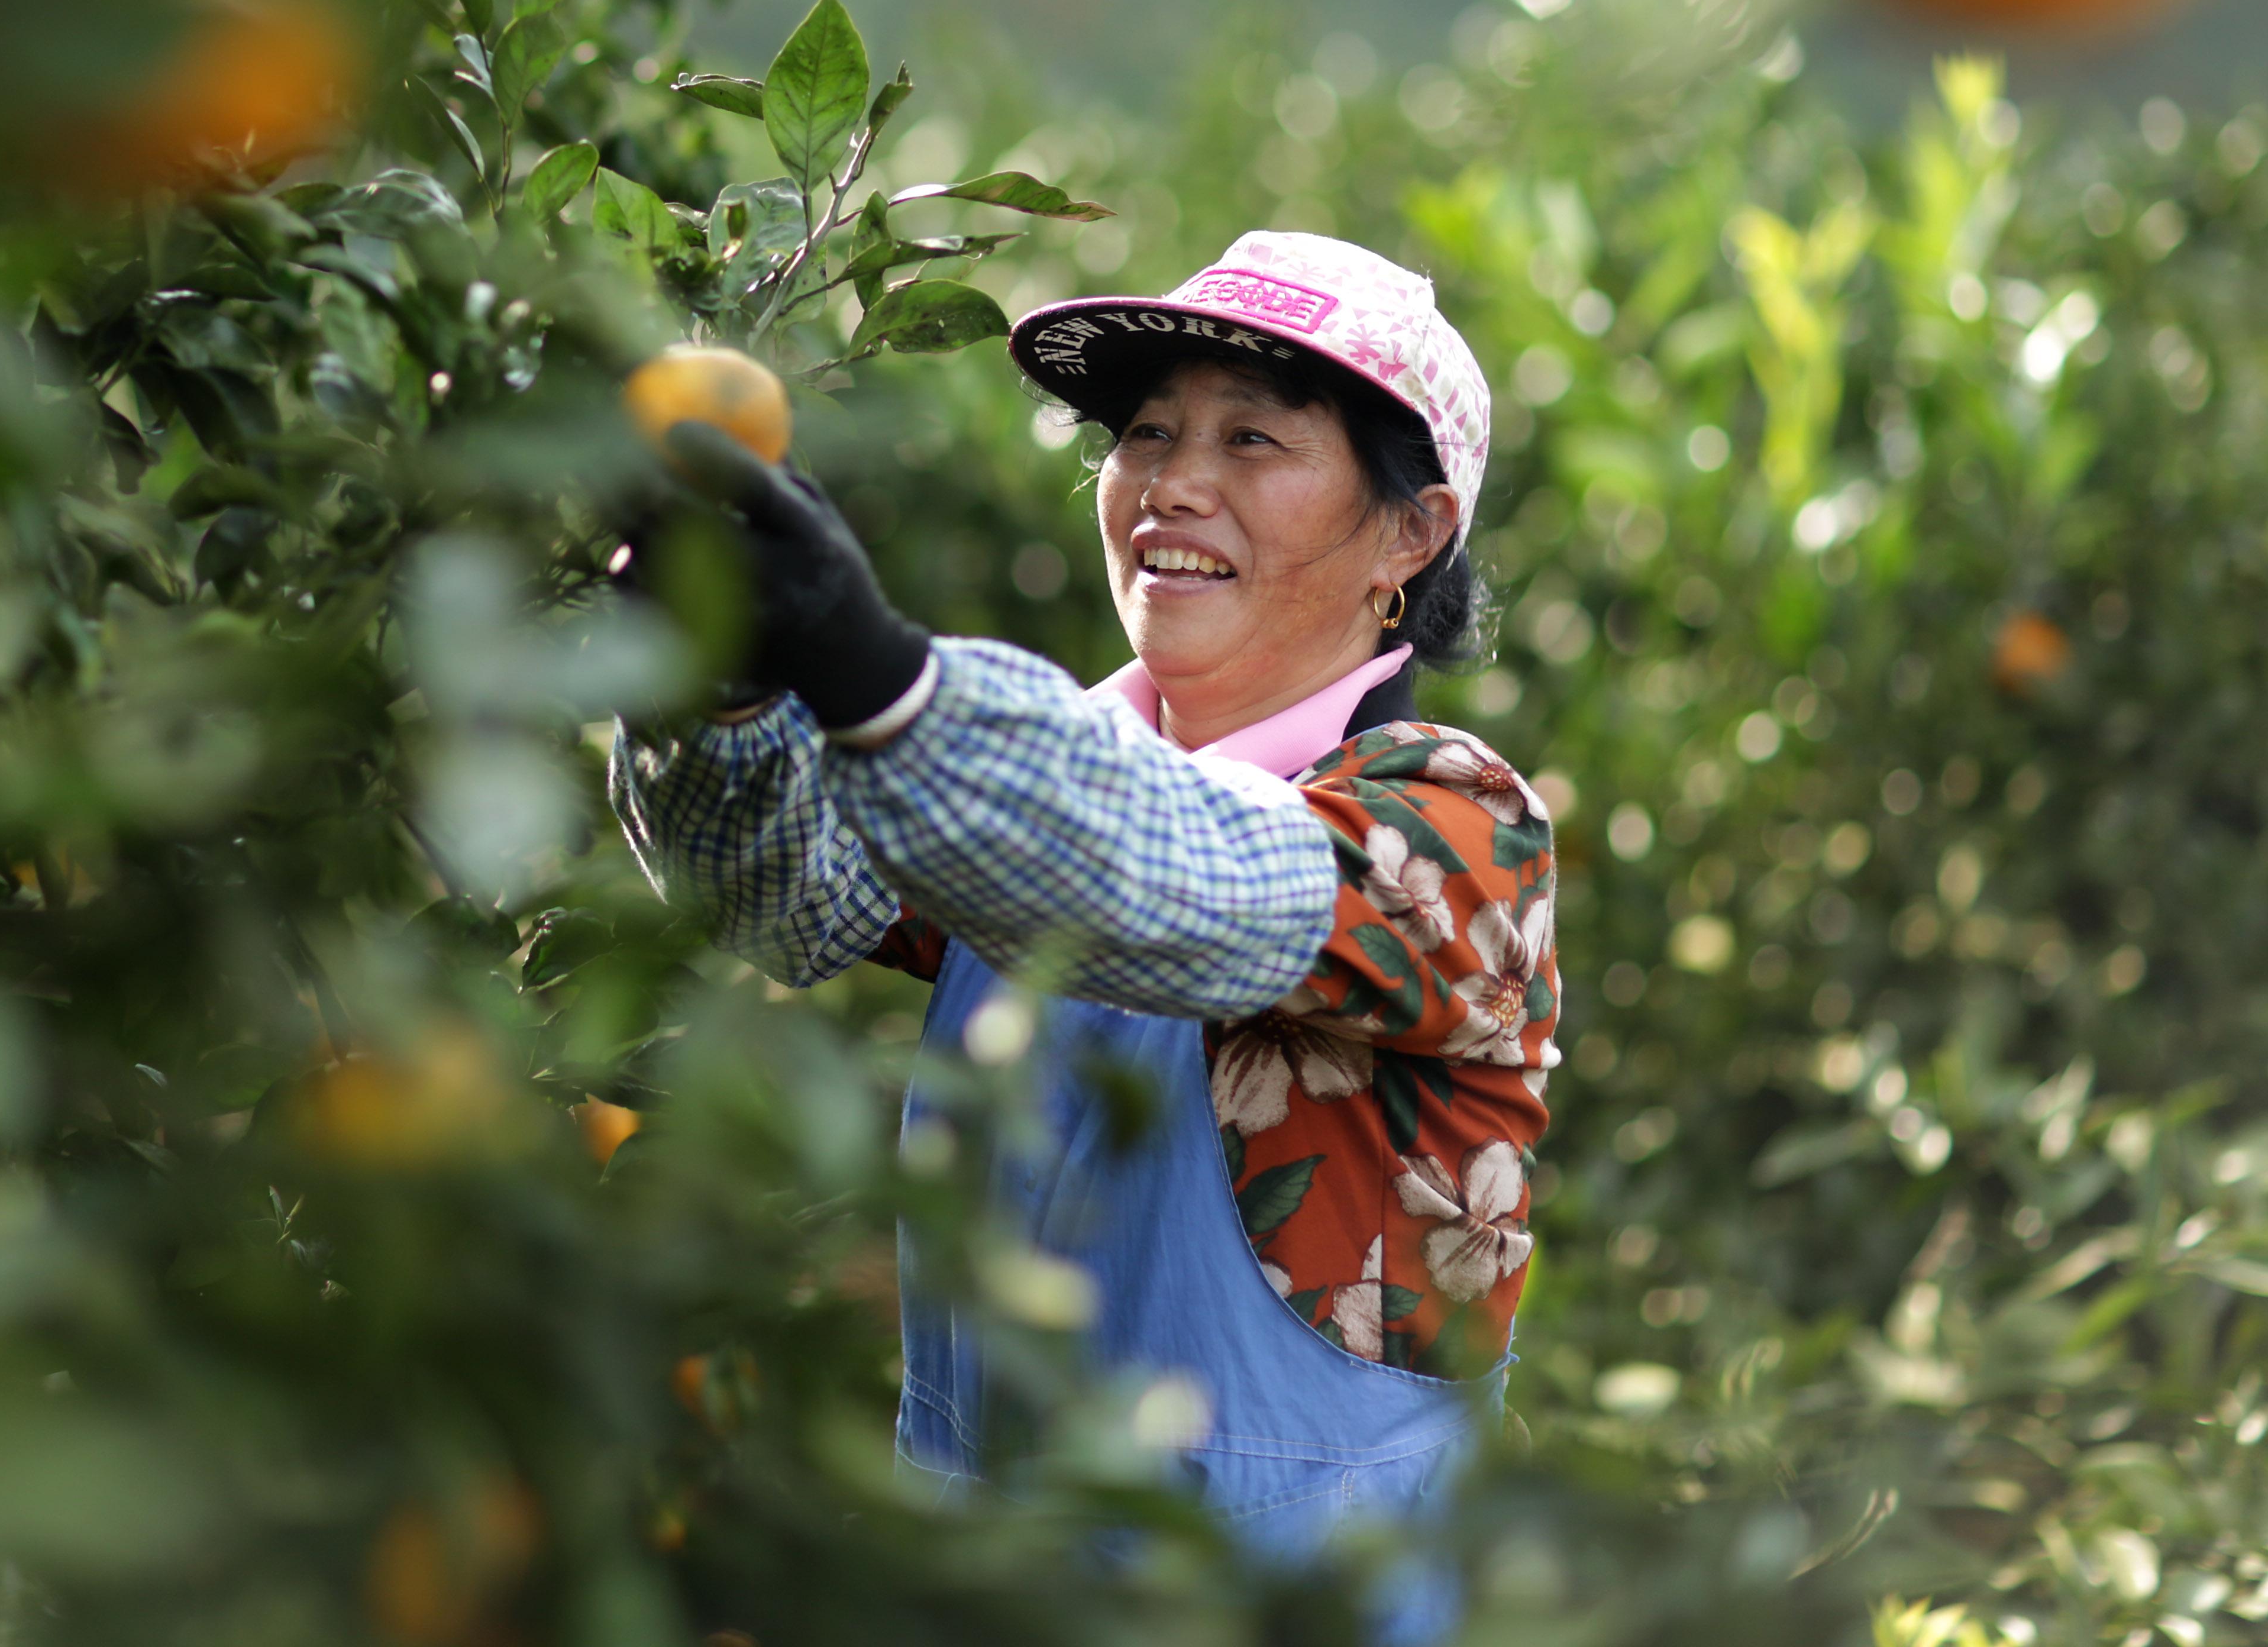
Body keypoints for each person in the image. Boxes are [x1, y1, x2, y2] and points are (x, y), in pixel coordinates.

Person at [610, 228, 1559, 1571]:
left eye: (1252, 442)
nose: (1172, 484)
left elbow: (1192, 882)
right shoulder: (1047, 786)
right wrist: (726, 676)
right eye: (1149, 435)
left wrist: (882, 677)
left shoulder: (1461, 831)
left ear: (1412, 531)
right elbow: (789, 901)